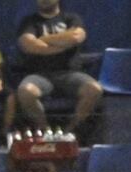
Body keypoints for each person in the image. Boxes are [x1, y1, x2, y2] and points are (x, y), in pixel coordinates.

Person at [16, 0, 103, 135]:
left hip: (70, 73)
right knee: (25, 92)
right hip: (40, 75)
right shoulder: (29, 22)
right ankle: (46, 133)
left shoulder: (72, 18)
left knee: (94, 90)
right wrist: (63, 44)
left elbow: (76, 37)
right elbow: (29, 45)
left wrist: (43, 39)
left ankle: (70, 132)